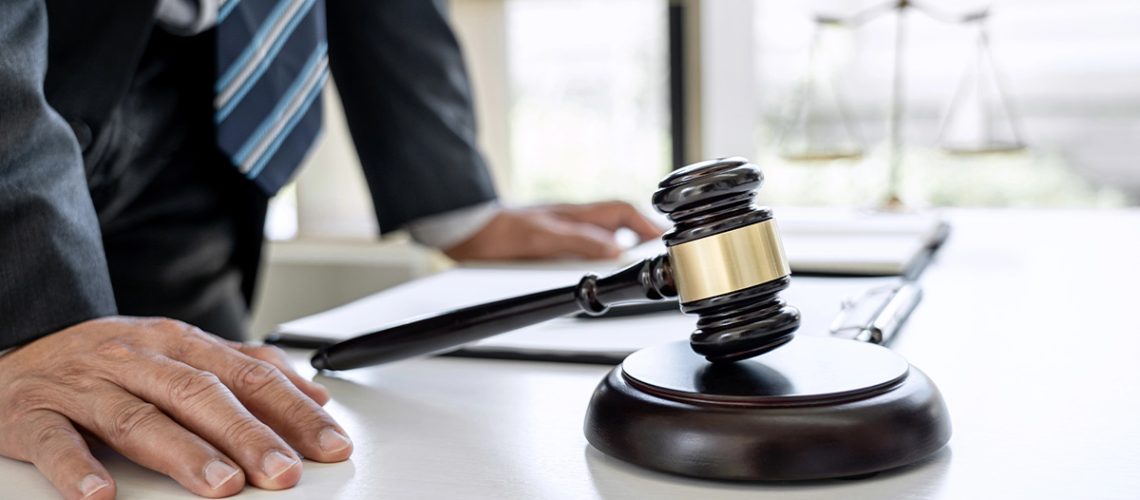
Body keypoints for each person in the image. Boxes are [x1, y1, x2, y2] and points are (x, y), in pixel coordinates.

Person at [0, 0, 661, 498]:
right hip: (23, 81)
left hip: (211, 88)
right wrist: (31, 318)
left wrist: (452, 201)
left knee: (222, 449)